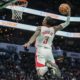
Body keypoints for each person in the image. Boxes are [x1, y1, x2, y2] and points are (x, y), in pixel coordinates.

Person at [23, 6, 71, 80]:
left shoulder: (40, 28)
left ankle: (47, 68)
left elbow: (34, 36)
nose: (43, 20)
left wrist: (28, 43)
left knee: (40, 74)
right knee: (53, 71)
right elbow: (67, 22)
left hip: (40, 50)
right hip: (49, 51)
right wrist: (68, 13)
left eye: (44, 19)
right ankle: (52, 68)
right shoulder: (54, 28)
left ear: (46, 22)